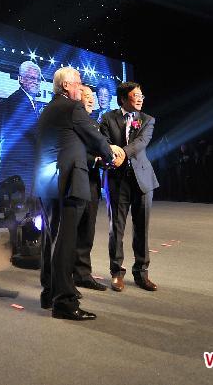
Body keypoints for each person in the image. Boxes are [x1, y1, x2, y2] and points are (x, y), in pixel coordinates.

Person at [34, 67, 122, 321]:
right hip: (69, 181)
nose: (81, 87)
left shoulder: (48, 109)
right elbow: (94, 138)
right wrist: (111, 155)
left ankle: (49, 292)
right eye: (78, 83)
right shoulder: (72, 108)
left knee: (52, 239)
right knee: (66, 242)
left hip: (48, 182)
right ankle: (64, 301)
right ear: (65, 86)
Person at [100, 81, 159, 292]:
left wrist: (121, 153)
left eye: (142, 94)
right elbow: (103, 141)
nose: (141, 98)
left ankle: (142, 273)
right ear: (124, 98)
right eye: (136, 95)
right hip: (116, 180)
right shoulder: (108, 118)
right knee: (116, 228)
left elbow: (141, 143)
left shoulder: (147, 120)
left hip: (143, 180)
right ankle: (116, 272)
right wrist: (110, 151)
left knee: (142, 228)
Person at [73, 85, 107, 292]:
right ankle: (66, 275)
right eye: (87, 96)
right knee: (72, 231)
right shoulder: (73, 122)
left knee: (88, 230)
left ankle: (83, 274)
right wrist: (95, 159)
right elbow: (72, 151)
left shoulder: (94, 124)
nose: (91, 100)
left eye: (92, 97)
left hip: (92, 182)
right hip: (75, 181)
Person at [0, 61, 42, 201]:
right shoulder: (17, 100)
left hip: (25, 168)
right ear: (21, 79)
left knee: (26, 214)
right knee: (16, 216)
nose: (36, 82)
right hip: (17, 169)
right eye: (32, 78)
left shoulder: (30, 101)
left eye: (38, 79)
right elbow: (35, 131)